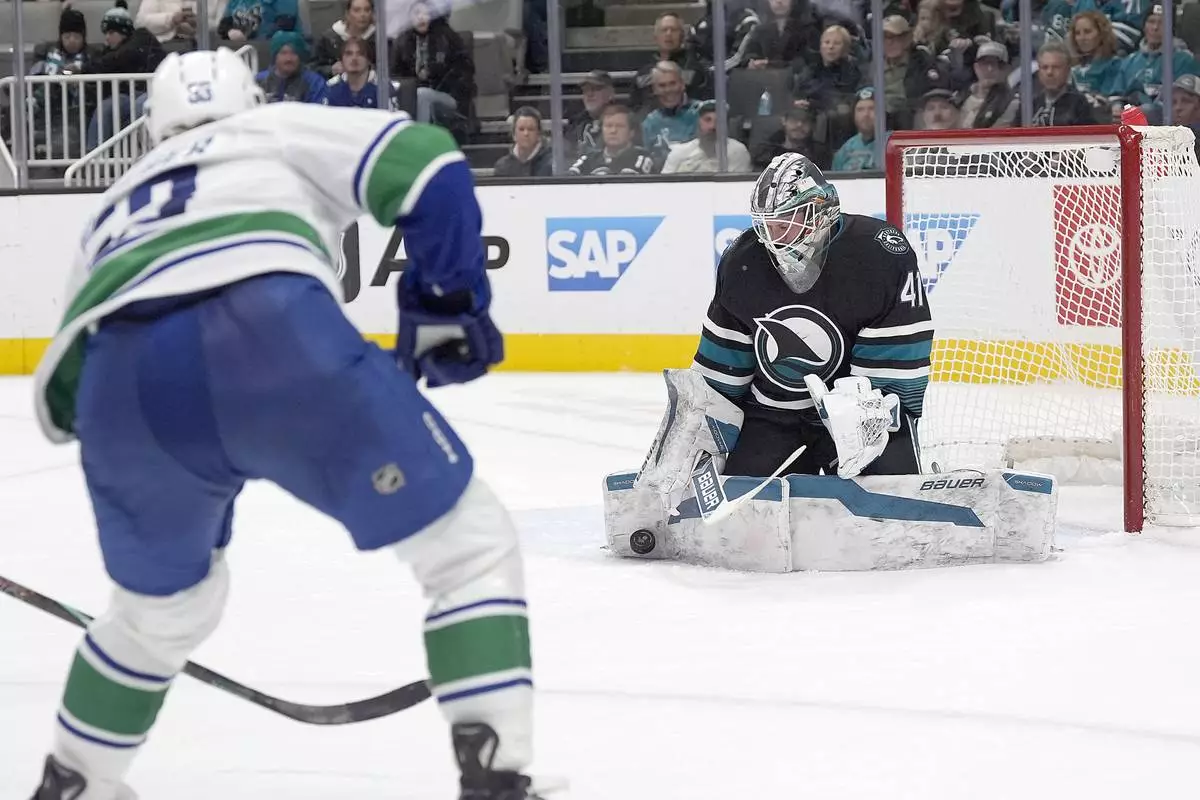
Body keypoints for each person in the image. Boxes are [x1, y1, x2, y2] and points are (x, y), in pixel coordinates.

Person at [27, 48, 541, 800]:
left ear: (154, 126)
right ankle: (494, 776)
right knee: (468, 546)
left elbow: (69, 390)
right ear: (251, 98)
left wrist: (190, 477)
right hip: (269, 331)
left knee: (157, 614)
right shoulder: (272, 129)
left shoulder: (112, 204)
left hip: (120, 389)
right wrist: (444, 303)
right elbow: (429, 163)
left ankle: (76, 780)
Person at [690, 152, 931, 478]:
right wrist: (699, 429)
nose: (773, 238)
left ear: (819, 211)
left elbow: (895, 372)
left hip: (860, 414)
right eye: (766, 225)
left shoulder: (878, 254)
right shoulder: (743, 261)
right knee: (742, 492)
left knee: (891, 492)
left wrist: (861, 414)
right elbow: (721, 370)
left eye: (784, 224)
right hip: (773, 414)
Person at [661, 99, 753, 173]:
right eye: (707, 120)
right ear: (698, 122)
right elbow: (663, 185)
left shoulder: (738, 152)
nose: (712, 126)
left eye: (719, 121)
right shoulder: (680, 153)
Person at [568, 103, 656, 175]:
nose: (613, 131)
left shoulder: (641, 158)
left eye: (620, 126)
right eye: (608, 126)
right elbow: (570, 178)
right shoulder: (589, 158)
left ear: (631, 132)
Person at [1031, 41, 1096, 125]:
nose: (1049, 72)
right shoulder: (1030, 104)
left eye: (1056, 67)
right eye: (1044, 67)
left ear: (1067, 70)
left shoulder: (1080, 104)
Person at [255, 30, 328, 104]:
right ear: (275, 57)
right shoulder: (259, 81)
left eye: (294, 53)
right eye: (283, 53)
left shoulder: (315, 83)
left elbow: (320, 109)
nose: (289, 59)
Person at [312, 0, 376, 79]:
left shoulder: (379, 40)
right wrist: (331, 70)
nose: (363, 15)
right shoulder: (328, 38)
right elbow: (312, 68)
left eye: (367, 10)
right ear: (347, 13)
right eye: (357, 10)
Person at [492, 106, 553, 177]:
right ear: (514, 134)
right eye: (521, 129)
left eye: (531, 129)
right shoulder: (502, 167)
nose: (526, 133)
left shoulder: (552, 164)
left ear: (539, 134)